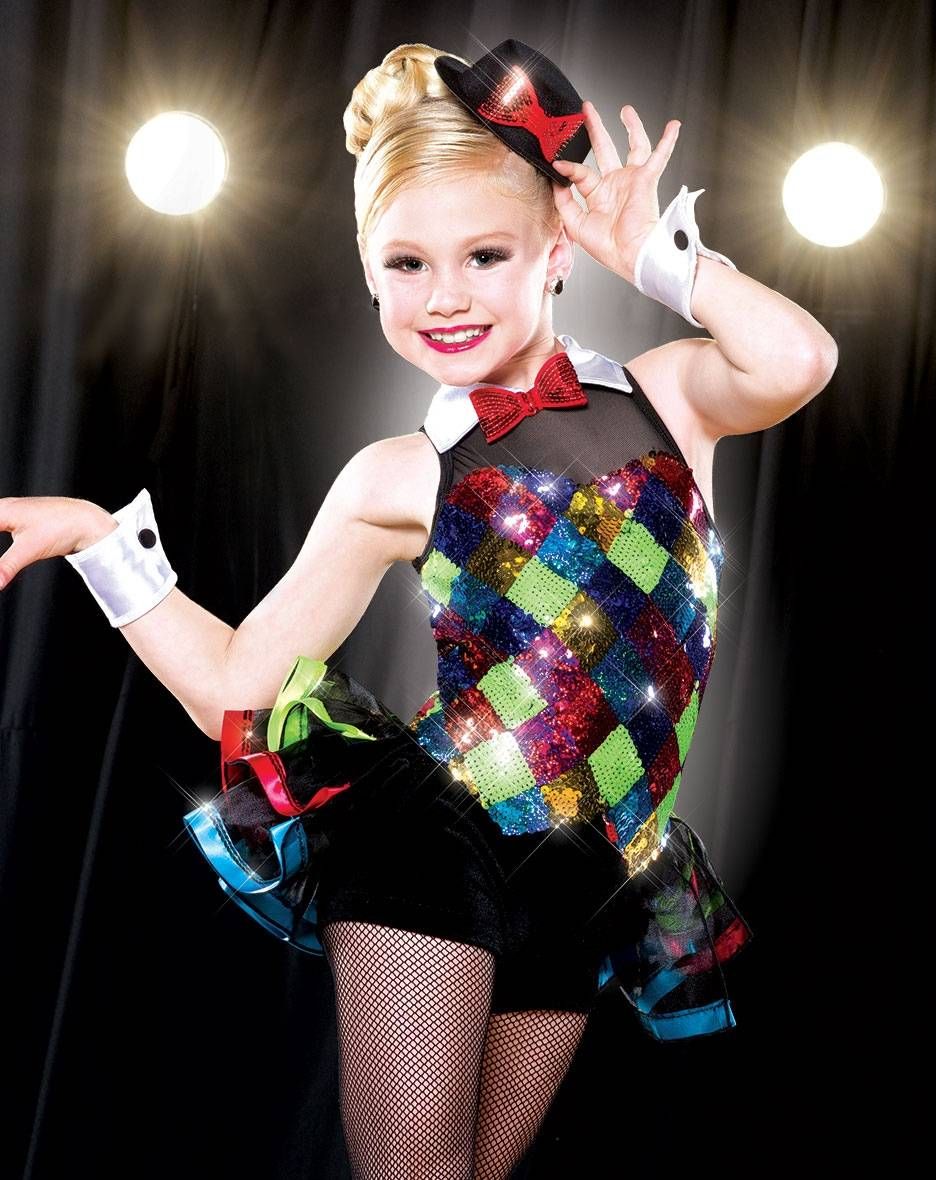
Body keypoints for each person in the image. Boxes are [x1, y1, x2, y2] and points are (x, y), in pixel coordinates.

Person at [0, 37, 838, 1180]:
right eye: (405, 263)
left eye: (485, 254)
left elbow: (797, 358)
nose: (444, 295)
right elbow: (236, 686)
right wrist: (102, 546)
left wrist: (655, 257)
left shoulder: (672, 395)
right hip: (435, 839)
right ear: (367, 273)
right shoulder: (396, 474)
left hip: (588, 870)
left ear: (557, 249)